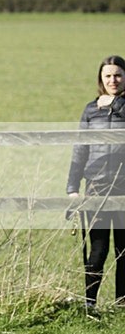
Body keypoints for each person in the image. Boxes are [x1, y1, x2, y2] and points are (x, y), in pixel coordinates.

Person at [66, 55, 125, 308]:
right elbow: (80, 148)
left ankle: (121, 303)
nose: (113, 80)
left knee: (123, 251)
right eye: (108, 75)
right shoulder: (90, 110)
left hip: (124, 188)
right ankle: (89, 303)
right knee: (98, 250)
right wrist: (72, 187)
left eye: (118, 75)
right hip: (96, 187)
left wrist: (116, 103)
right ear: (101, 79)